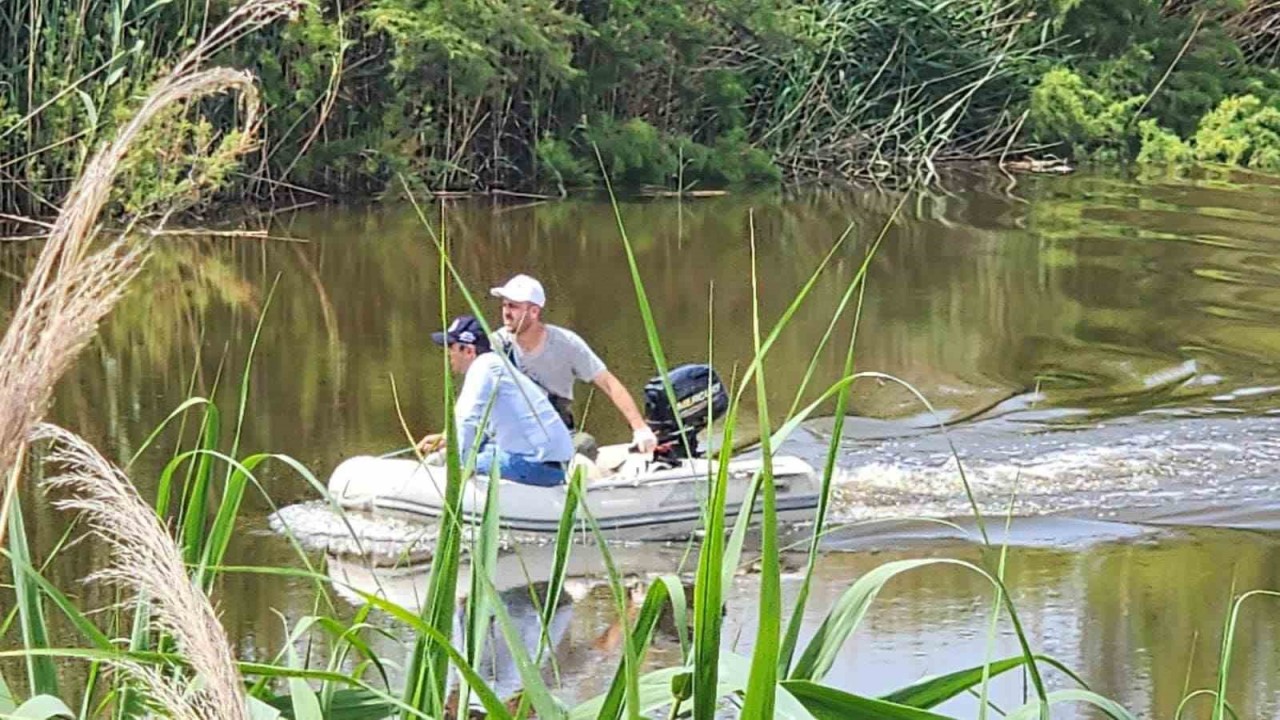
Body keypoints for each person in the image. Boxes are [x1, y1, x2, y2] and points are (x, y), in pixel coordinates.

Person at [488, 273, 658, 454]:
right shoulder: (495, 345)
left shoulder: (566, 344)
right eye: (504, 305)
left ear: (534, 312)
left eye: (513, 306)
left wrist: (640, 428)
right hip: (510, 434)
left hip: (555, 430)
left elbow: (608, 383)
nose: (506, 312)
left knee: (585, 446)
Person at [416, 314, 575, 486]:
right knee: (483, 450)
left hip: (535, 466)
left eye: (451, 347)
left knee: (462, 461)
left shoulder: (483, 367)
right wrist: (446, 438)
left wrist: (459, 468)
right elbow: (482, 424)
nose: (448, 354)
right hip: (552, 463)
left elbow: (467, 420)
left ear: (468, 350)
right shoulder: (497, 366)